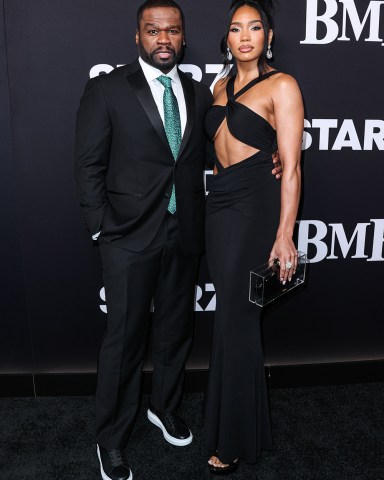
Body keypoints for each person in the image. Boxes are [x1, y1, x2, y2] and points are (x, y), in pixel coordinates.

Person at [74, 1, 212, 479]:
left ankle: (164, 407)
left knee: (175, 332)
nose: (163, 39)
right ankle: (110, 439)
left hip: (184, 230)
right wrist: (101, 227)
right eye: (153, 31)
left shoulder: (197, 93)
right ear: (137, 36)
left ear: (182, 37)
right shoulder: (107, 88)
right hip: (128, 236)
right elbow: (88, 164)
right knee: (125, 341)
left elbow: (204, 157)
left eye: (172, 31)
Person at [203, 0, 304, 474]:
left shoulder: (283, 85)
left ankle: (237, 438)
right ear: (227, 37)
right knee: (230, 317)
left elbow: (291, 168)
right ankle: (238, 425)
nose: (245, 36)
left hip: (254, 205)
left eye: (255, 27)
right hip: (219, 203)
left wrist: (284, 235)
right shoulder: (219, 85)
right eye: (236, 28)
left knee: (239, 320)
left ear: (269, 36)